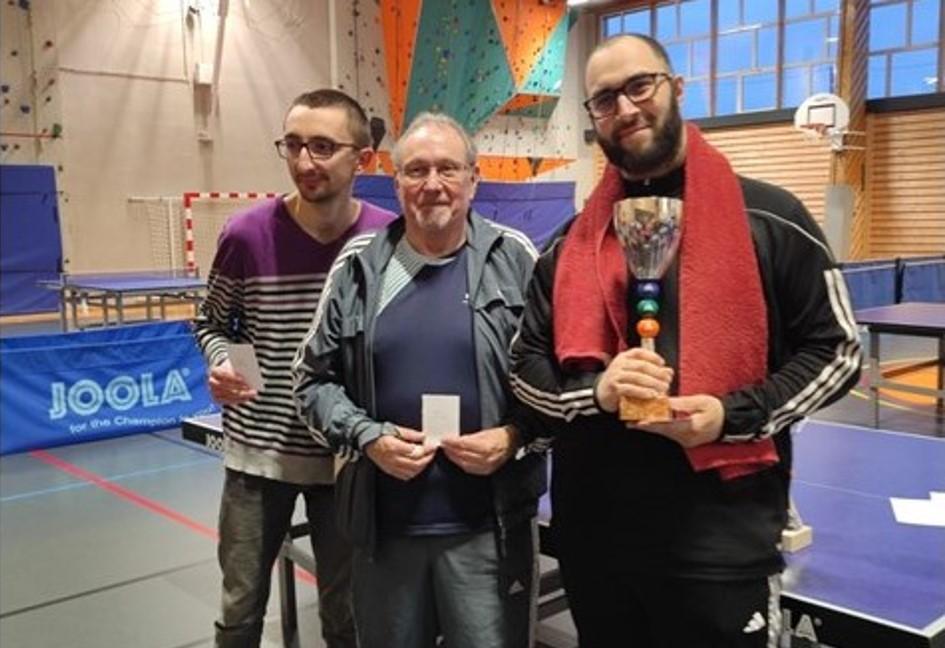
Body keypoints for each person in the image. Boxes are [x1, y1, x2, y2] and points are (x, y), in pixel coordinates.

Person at [508, 34, 862, 648]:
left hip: (721, 545)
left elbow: (839, 350)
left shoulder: (771, 218)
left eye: (639, 86)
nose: (625, 108)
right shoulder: (568, 245)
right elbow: (523, 367)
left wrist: (732, 415)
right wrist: (598, 393)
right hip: (598, 543)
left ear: (675, 88)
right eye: (604, 99)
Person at [292, 112, 545, 648]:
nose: (433, 184)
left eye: (448, 169)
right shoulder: (359, 265)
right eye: (417, 170)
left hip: (489, 531)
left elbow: (556, 379)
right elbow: (310, 382)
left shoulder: (516, 258)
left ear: (474, 178)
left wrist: (513, 437)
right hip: (385, 532)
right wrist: (367, 437)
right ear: (397, 181)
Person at [194, 88, 396, 648]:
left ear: (363, 158)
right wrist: (222, 362)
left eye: (323, 146)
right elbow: (212, 322)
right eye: (294, 144)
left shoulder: (387, 239)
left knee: (346, 620)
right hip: (258, 457)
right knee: (239, 613)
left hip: (348, 460)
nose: (305, 161)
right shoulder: (245, 235)